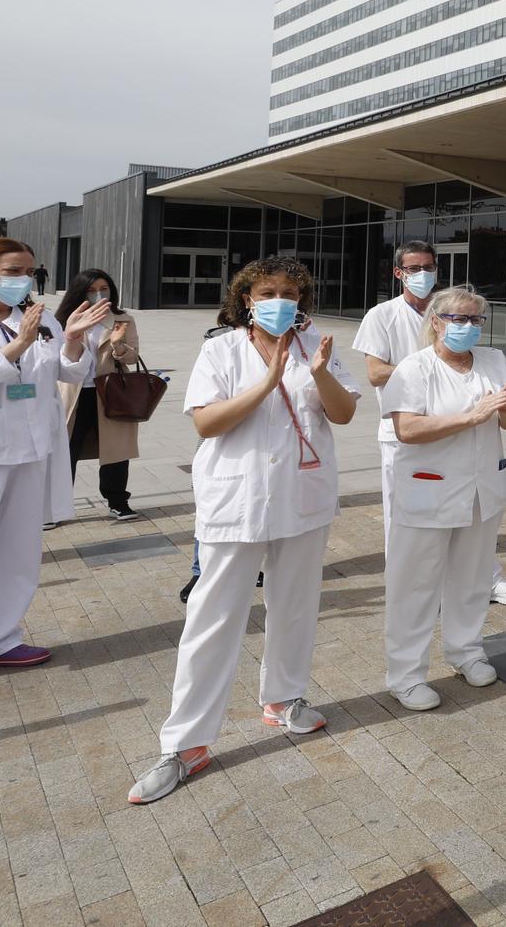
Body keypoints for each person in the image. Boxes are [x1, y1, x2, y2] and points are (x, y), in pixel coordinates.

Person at [126, 258, 356, 803]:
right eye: (268, 291)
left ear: (303, 300)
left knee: (295, 603)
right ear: (247, 299)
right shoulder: (221, 349)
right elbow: (207, 421)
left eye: (290, 292)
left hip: (303, 498)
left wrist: (317, 372)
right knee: (213, 619)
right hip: (238, 499)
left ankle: (283, 700)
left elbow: (343, 413)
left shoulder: (316, 344)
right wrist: (269, 382)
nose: (280, 300)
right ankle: (185, 744)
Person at [0, 239, 102, 696]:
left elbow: (71, 375)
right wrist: (17, 347)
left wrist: (71, 341)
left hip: (30, 448)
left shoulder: (39, 315)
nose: (23, 279)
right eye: (12, 270)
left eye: (28, 270)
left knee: (18, 551)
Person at [354, 240, 506, 605]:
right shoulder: (382, 316)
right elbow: (373, 373)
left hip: (469, 441)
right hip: (405, 430)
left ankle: (488, 580)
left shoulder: (458, 317)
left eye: (429, 268)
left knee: (473, 518)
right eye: (414, 269)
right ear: (399, 272)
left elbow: (505, 418)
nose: (423, 275)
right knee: (409, 523)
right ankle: (410, 590)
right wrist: (426, 372)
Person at [380, 286, 506, 710]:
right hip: (430, 489)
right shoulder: (414, 368)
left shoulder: (494, 361)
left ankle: (466, 651)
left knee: (473, 578)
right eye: (458, 319)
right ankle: (405, 675)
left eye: (475, 320)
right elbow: (407, 429)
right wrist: (472, 416)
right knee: (416, 585)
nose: (468, 327)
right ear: (437, 322)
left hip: (482, 490)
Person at [56, 268, 144, 521]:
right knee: (65, 450)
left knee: (115, 450)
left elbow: (132, 355)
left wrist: (118, 344)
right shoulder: (65, 318)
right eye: (92, 290)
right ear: (80, 293)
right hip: (72, 392)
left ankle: (117, 501)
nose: (98, 294)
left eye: (103, 289)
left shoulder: (122, 318)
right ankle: (56, 505)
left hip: (110, 390)